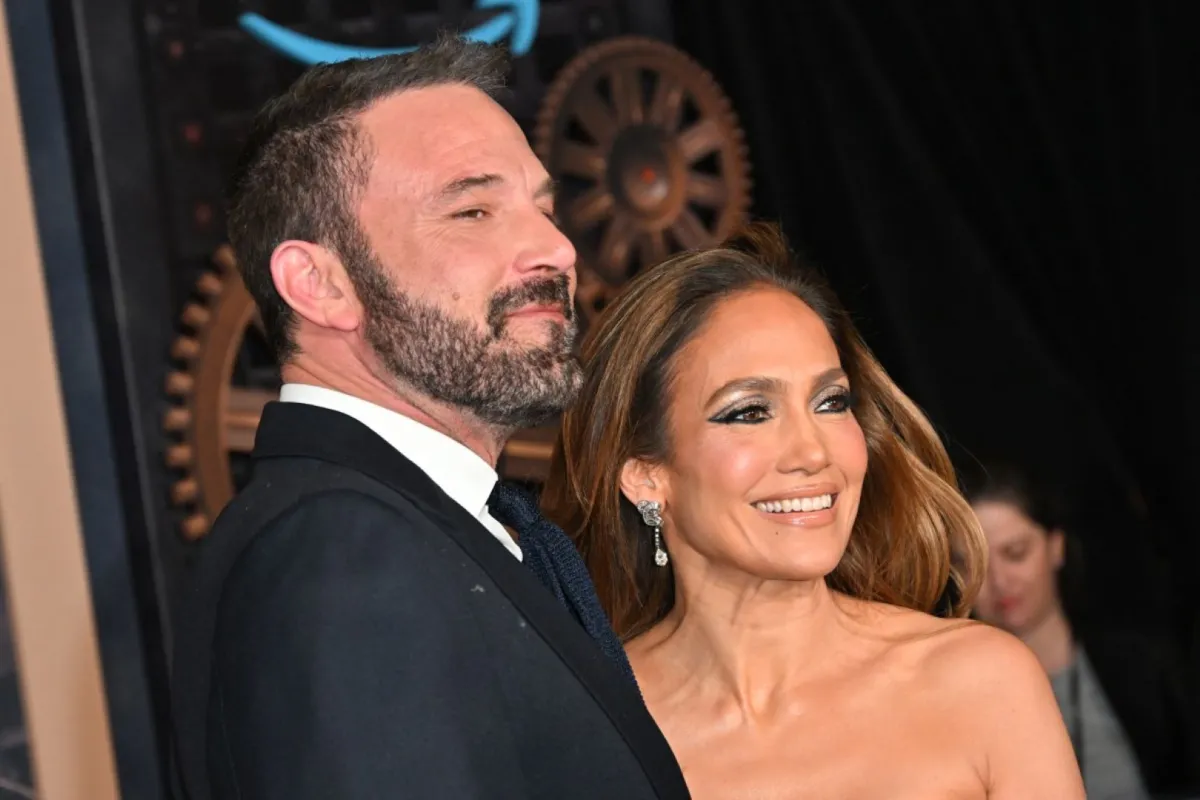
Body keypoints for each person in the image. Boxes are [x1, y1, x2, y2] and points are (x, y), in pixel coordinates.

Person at [168, 36, 689, 800]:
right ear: (319, 285)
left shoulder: (424, 526)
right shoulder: (341, 558)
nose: (554, 247)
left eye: (544, 208)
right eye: (472, 209)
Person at [541, 222, 1086, 798]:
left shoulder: (982, 682)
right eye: (750, 411)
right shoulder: (593, 726)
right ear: (647, 476)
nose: (812, 451)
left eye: (831, 402)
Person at [967, 463, 1200, 800]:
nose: (1000, 581)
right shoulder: (964, 702)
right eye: (975, 565)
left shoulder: (1143, 662)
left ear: (1056, 547)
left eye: (1015, 554)